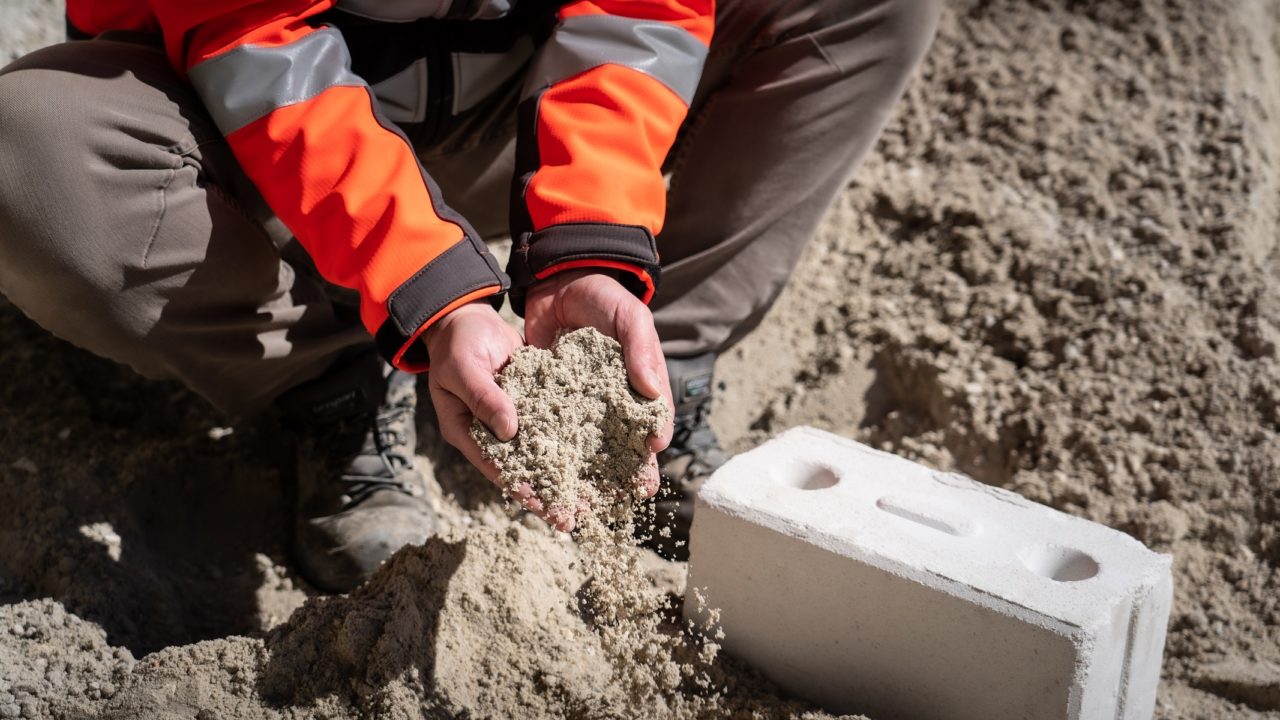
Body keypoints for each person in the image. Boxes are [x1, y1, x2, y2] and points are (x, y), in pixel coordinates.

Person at [0, 0, 939, 591]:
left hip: (504, 101)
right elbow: (254, 47)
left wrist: (589, 250)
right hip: (234, 126)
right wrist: (434, 297)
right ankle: (332, 384)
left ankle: (649, 376)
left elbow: (641, 13)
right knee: (28, 149)